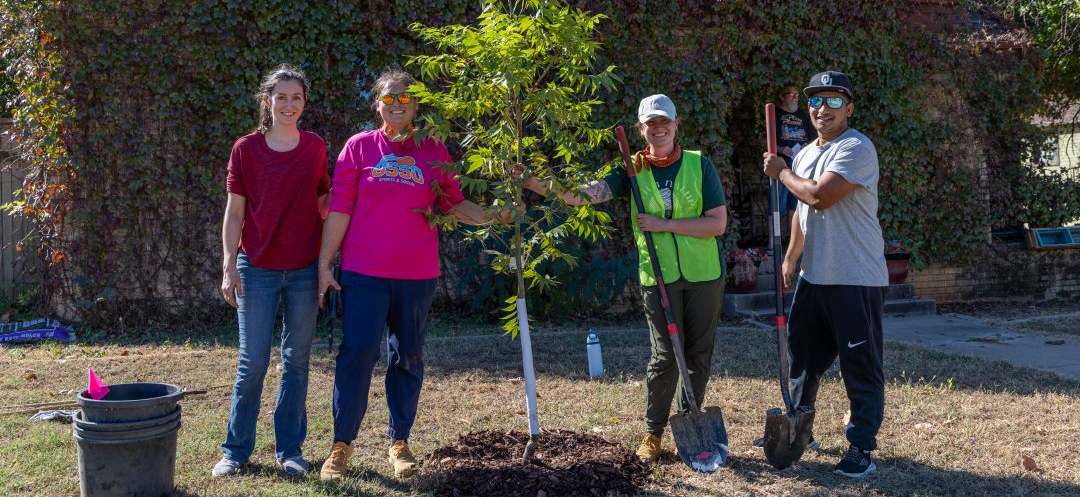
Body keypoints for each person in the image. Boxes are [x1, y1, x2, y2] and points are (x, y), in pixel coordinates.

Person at [317, 68, 505, 482]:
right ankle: (341, 444)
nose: (397, 104)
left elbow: (453, 204)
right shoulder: (359, 147)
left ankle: (399, 441)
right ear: (378, 105)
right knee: (357, 353)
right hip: (364, 272)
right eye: (389, 98)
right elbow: (341, 207)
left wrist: (497, 216)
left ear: (416, 104)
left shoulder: (433, 149)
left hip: (416, 275)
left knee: (408, 356)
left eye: (405, 98)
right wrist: (324, 263)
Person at [520, 94, 727, 463]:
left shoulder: (700, 165)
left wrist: (663, 225)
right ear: (640, 129)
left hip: (703, 275)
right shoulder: (631, 169)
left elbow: (717, 223)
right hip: (658, 277)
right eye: (651, 123)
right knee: (664, 356)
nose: (659, 128)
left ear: (676, 124)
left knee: (698, 354)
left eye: (665, 121)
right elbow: (583, 195)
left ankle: (690, 421)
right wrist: (534, 182)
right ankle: (653, 432)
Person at [762, 70, 887, 479]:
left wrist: (780, 172)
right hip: (814, 276)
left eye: (834, 101)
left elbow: (819, 195)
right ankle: (800, 428)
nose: (823, 109)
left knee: (859, 364)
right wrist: (791, 258)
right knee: (802, 358)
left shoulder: (856, 147)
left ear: (849, 108)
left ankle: (861, 447)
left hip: (855, 276)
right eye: (816, 100)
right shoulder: (803, 155)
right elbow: (802, 210)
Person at [214, 64, 330, 477]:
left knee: (296, 361)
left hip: (303, 269)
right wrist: (228, 264)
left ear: (304, 103)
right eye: (281, 97)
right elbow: (234, 213)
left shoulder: (315, 147)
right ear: (267, 101)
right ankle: (235, 451)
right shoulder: (245, 149)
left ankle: (290, 450)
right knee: (253, 361)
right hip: (256, 267)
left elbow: (325, 203)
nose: (288, 104)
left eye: (296, 97)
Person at [773, 83, 816, 231]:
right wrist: (780, 149)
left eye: (797, 95)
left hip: (800, 166)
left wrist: (806, 146)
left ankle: (792, 239)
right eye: (792, 95)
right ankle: (773, 241)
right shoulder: (774, 113)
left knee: (795, 205)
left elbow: (814, 139)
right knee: (777, 205)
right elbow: (761, 139)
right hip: (780, 165)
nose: (796, 98)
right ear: (782, 96)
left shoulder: (803, 115)